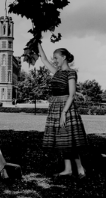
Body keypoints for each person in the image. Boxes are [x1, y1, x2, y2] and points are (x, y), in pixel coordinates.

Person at [38, 42, 87, 179]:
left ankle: (80, 168)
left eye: (56, 58)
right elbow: (43, 59)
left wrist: (64, 113)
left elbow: (71, 94)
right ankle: (68, 169)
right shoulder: (57, 72)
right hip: (56, 106)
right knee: (62, 139)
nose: (54, 60)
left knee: (69, 138)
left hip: (66, 108)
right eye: (54, 58)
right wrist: (38, 41)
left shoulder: (71, 72)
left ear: (64, 57)